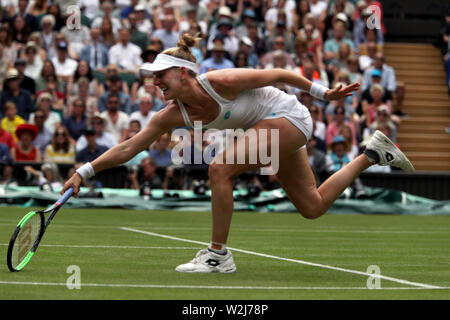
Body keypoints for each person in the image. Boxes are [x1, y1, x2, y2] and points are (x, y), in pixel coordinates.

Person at [62, 34, 415, 274]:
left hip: (290, 117)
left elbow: (277, 73)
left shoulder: (221, 81)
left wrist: (325, 94)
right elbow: (129, 147)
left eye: (161, 75)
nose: (155, 82)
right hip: (270, 132)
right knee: (312, 206)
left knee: (220, 169)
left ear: (185, 73)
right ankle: (372, 153)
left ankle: (218, 255)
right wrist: (85, 170)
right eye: (153, 77)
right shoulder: (171, 114)